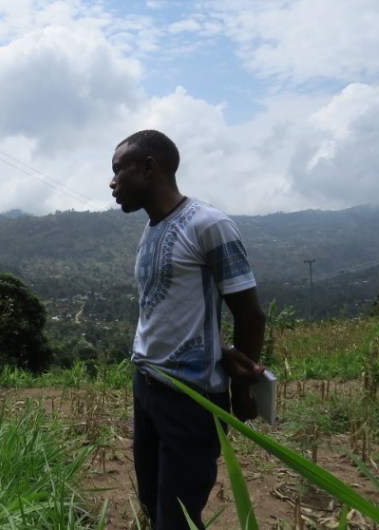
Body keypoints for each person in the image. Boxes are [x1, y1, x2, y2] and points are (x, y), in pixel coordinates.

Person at [109, 129, 266, 530]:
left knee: (177, 517)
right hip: (146, 385)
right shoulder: (151, 230)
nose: (112, 182)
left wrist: (242, 388)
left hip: (190, 398)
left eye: (117, 171)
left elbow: (249, 315)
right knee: (151, 500)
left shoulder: (209, 225)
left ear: (148, 168)